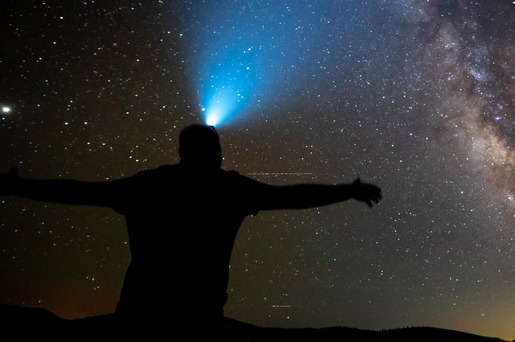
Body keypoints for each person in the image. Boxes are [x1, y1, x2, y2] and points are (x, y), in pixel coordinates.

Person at [0, 124, 382, 340]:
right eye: (216, 147)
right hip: (199, 318)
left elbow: (80, 191)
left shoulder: (148, 186)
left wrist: (21, 187)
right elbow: (290, 198)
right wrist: (345, 192)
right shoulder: (228, 189)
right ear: (214, 152)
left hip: (141, 313)